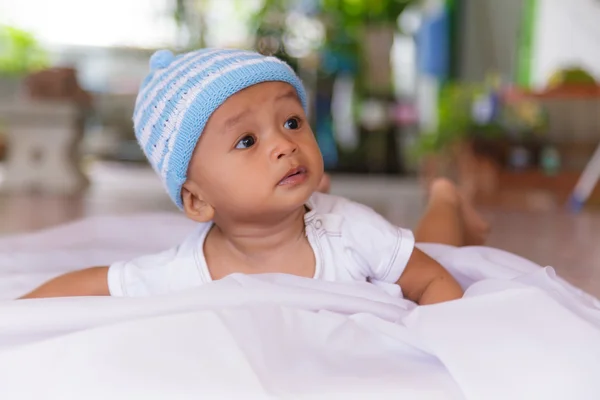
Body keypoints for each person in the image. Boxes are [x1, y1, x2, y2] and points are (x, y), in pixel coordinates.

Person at [19, 49, 488, 305]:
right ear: (198, 201)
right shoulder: (185, 272)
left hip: (361, 260)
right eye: (247, 141)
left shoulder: (348, 232)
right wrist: (16, 311)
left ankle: (446, 198)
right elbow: (102, 282)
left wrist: (441, 345)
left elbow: (430, 281)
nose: (284, 143)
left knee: (440, 251)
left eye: (291, 122)